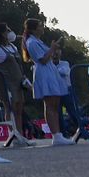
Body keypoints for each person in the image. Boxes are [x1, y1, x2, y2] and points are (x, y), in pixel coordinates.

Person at [22, 19, 72, 147]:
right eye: (40, 26)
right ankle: (56, 135)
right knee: (50, 104)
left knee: (55, 103)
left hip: (49, 71)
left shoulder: (37, 41)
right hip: (44, 73)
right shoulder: (32, 42)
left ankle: (58, 134)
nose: (42, 28)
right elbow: (43, 59)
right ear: (33, 29)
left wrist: (51, 49)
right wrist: (52, 49)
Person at [51, 40, 89, 143]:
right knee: (58, 114)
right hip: (55, 91)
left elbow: (64, 72)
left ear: (60, 53)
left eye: (58, 51)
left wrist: (53, 71)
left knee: (74, 111)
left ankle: (82, 127)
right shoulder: (49, 65)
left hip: (67, 90)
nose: (55, 54)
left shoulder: (65, 63)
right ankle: (62, 133)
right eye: (54, 52)